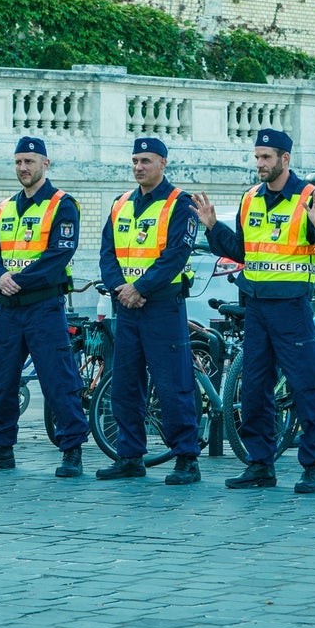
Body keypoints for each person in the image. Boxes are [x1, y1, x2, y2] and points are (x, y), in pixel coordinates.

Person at [193, 129, 315, 494]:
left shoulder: (311, 197)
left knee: (307, 385)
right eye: (257, 157)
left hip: (292, 308)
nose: (260, 164)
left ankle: (314, 468)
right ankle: (260, 463)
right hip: (256, 308)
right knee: (255, 388)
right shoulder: (250, 199)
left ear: (285, 159)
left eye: (266, 157)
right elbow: (242, 251)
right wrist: (214, 227)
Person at [0, 137, 91, 477]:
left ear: (45, 164)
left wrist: (17, 279)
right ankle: (0, 448)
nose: (23, 168)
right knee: (2, 380)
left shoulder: (62, 204)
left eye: (30, 162)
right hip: (9, 309)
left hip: (43, 308)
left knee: (58, 380)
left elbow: (58, 255)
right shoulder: (6, 206)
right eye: (19, 162)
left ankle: (71, 450)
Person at [95, 137, 202, 486]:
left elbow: (175, 256)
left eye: (146, 160)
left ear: (163, 163)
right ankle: (129, 455)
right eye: (135, 160)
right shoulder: (121, 203)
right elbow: (107, 254)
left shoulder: (179, 204)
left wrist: (139, 288)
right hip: (126, 307)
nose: (139, 166)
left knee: (173, 385)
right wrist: (120, 289)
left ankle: (186, 457)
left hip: (161, 307)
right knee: (125, 385)